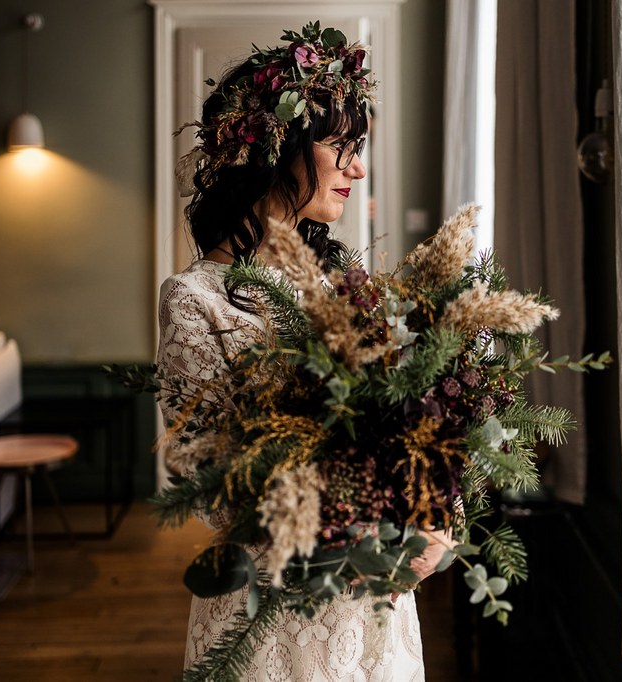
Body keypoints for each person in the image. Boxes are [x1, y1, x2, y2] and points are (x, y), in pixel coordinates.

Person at [156, 22, 447, 681]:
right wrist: (374, 520)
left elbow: (423, 424)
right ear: (276, 148)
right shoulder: (197, 301)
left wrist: (437, 508)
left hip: (376, 616)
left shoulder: (353, 288)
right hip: (275, 624)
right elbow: (217, 492)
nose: (358, 167)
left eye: (360, 147)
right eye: (341, 146)